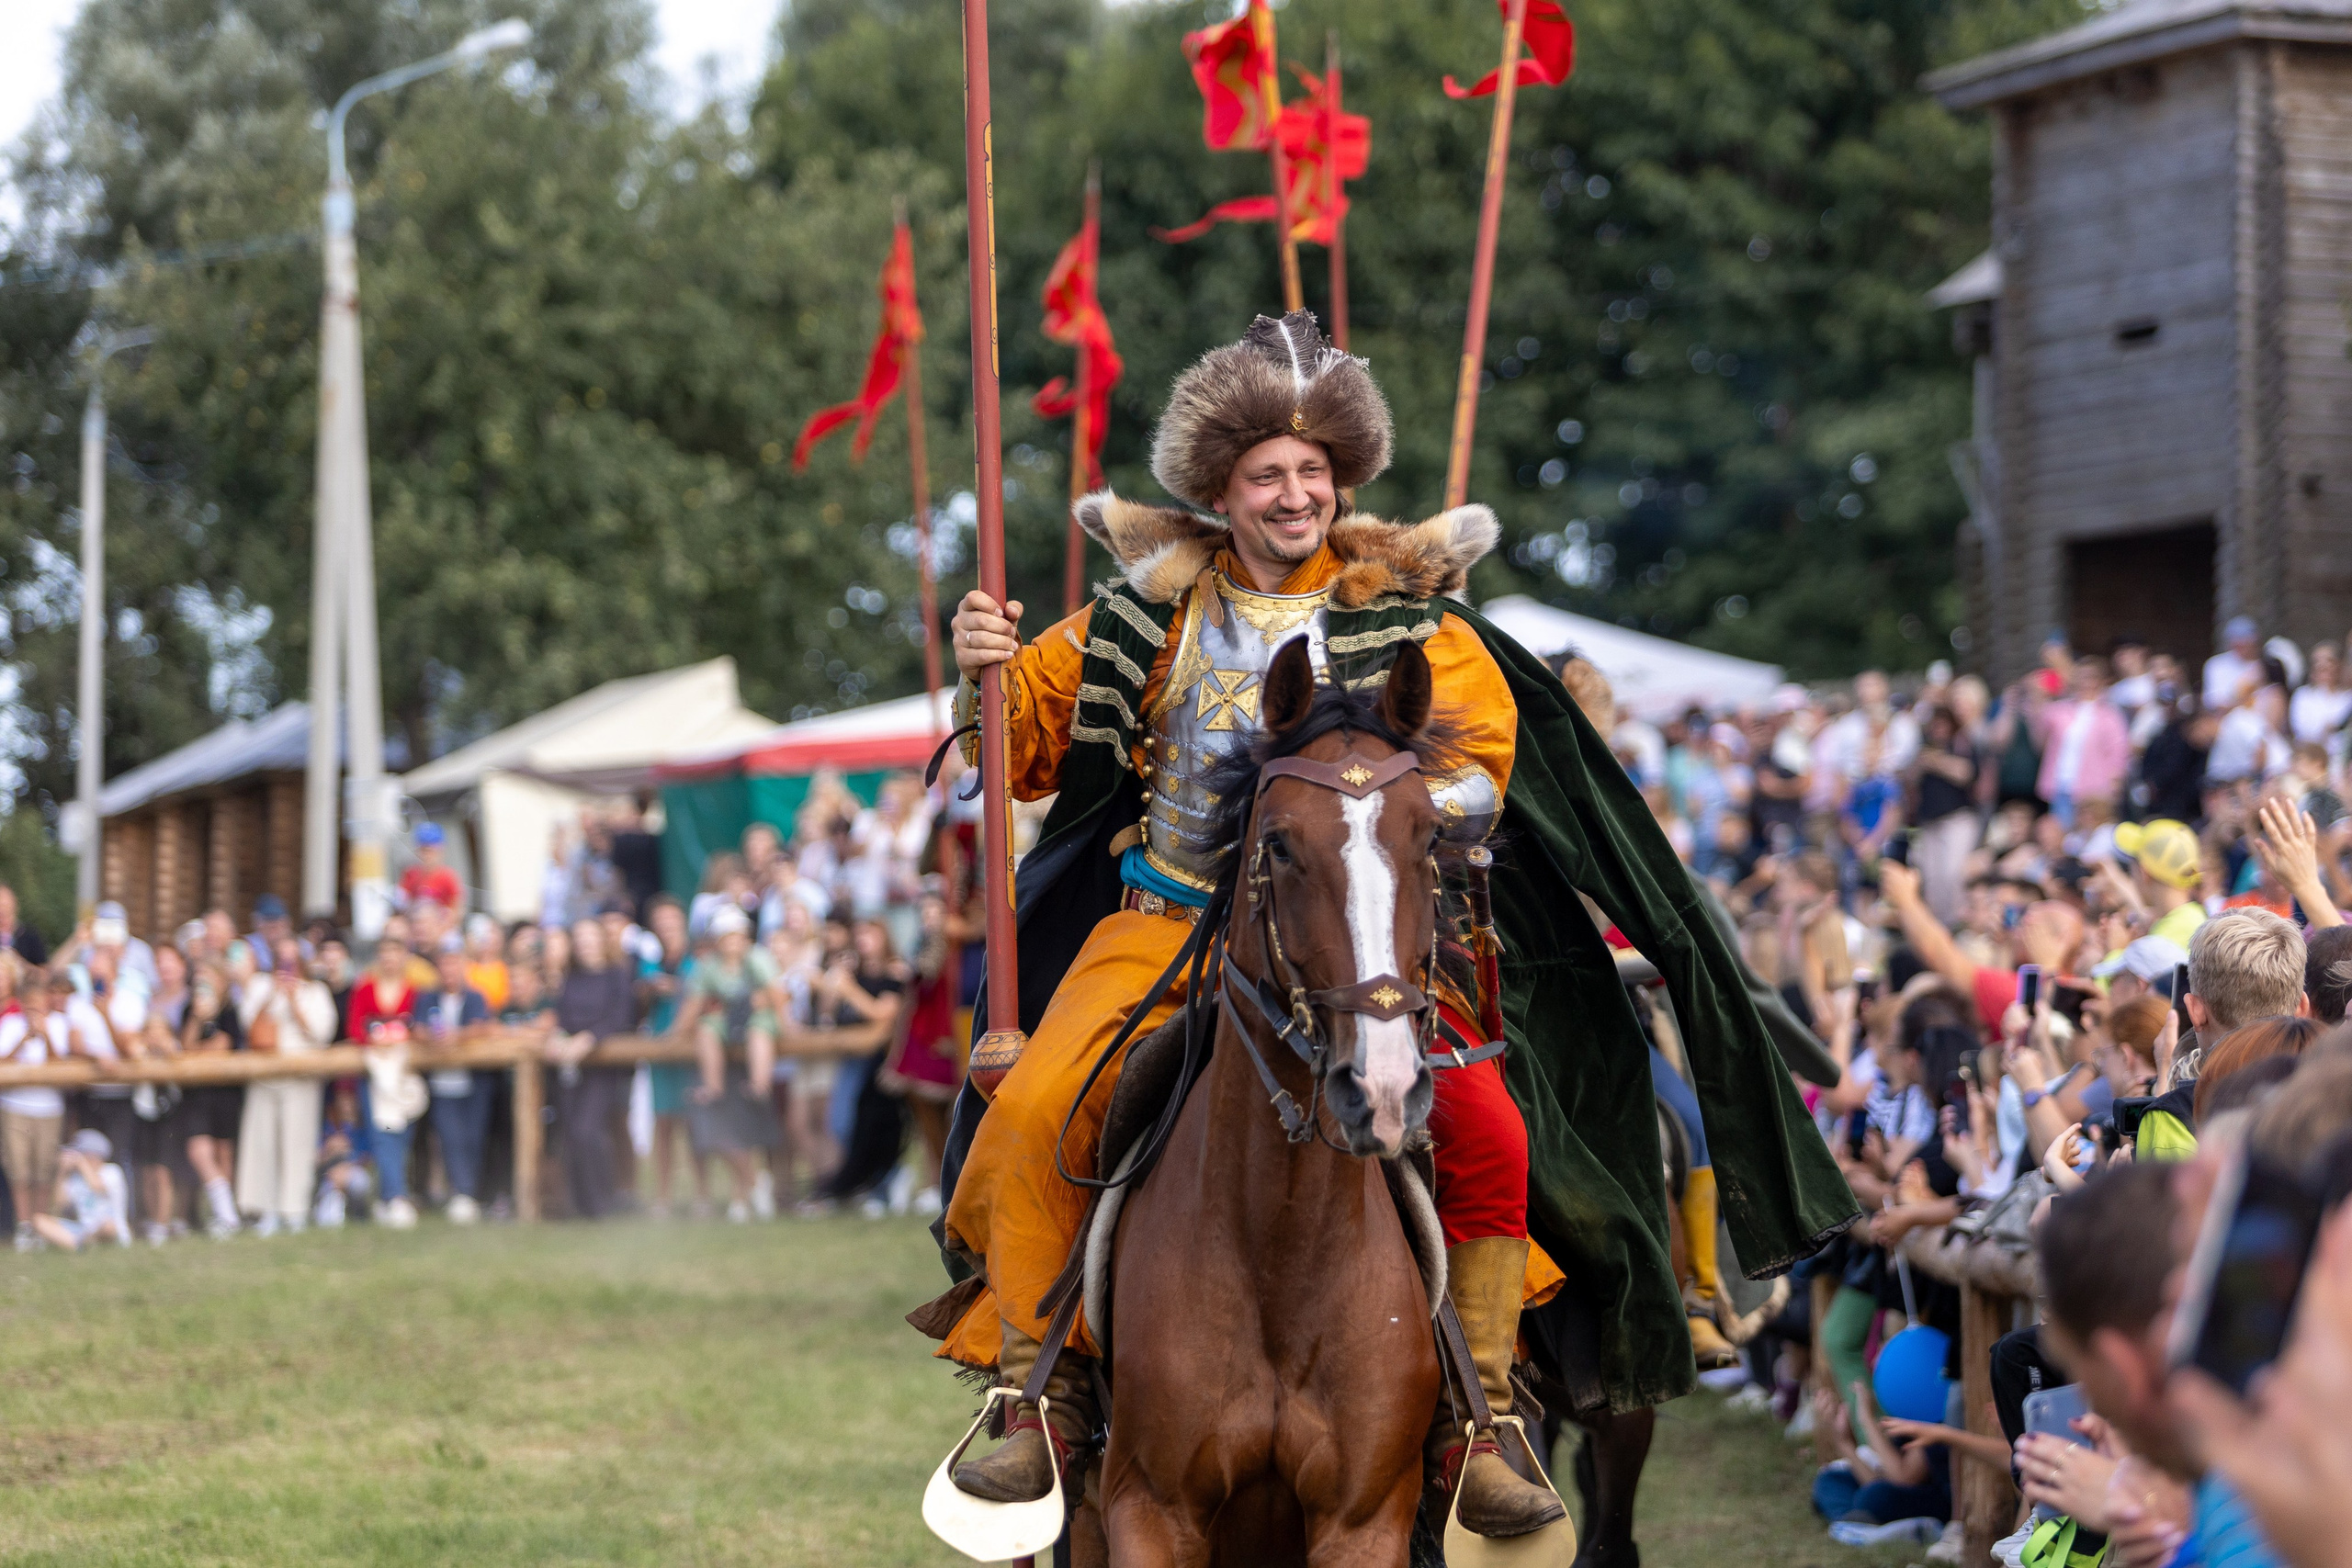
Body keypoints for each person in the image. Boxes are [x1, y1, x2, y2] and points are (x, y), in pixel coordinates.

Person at [928, 310, 1854, 1528]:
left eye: (1313, 472)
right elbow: (1021, 751)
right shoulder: (1145, 619)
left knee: (1492, 1133)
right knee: (1036, 1107)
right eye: (1268, 474)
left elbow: (1482, 772)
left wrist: (1375, 799)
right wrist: (981, 667)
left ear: (1342, 480)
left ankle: (1484, 1423)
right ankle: (1039, 1399)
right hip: (1163, 923)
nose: (1295, 494)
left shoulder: (1413, 621)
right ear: (1220, 491)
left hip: (1360, 939)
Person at [232, 938, 337, 1235]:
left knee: (297, 1145)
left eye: (292, 961)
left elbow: (322, 1033)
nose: (286, 967)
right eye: (281, 960)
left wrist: (293, 1001)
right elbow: (248, 1026)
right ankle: (264, 1210)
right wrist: (272, 996)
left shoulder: (315, 992)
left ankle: (294, 1210)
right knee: (262, 1145)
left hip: (300, 1080)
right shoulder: (260, 987)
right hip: (264, 1079)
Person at [544, 919, 636, 1220]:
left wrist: (590, 1038)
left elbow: (621, 1016)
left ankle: (602, 1202)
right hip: (571, 1066)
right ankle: (580, 1204)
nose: (585, 942)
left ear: (601, 940)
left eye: (590, 936)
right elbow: (563, 1017)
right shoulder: (571, 978)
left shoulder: (617, 975)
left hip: (603, 1067)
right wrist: (558, 1037)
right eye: (579, 937)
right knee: (571, 1132)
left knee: (588, 1130)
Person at [416, 940, 492, 1224]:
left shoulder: (475, 997)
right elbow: (418, 1028)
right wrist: (433, 1038)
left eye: (453, 964)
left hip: (473, 1082)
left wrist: (454, 1037)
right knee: (450, 1138)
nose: (449, 971)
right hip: (441, 1083)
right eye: (444, 965)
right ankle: (461, 1193)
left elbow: (481, 1027)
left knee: (473, 1137)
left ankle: (469, 1193)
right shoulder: (428, 998)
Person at [179, 955, 246, 1238]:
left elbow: (223, 1047)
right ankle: (226, 1213)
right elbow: (184, 1047)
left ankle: (225, 1217)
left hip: (225, 1092)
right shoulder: (189, 1010)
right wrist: (197, 1019)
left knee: (224, 1154)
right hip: (196, 1094)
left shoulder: (229, 1011)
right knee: (199, 1151)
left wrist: (198, 1050)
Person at [1, 971, 68, 1248]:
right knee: (19, 1171)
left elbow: (62, 1065)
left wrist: (45, 1036)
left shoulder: (59, 1023)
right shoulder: (11, 1024)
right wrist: (24, 1038)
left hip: (49, 1108)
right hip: (15, 1106)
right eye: (29, 1003)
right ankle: (24, 1225)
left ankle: (41, 1223)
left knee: (43, 1170)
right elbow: (3, 1061)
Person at [2035, 656, 2131, 828]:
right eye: (2081, 677)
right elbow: (2040, 734)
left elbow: (2118, 755)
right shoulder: (2060, 710)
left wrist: (2113, 788)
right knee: (2062, 833)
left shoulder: (2110, 714)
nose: (2085, 682)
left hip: (2093, 792)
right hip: (2062, 786)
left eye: (2091, 677)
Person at [1908, 705, 1983, 924]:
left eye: (1943, 724)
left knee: (1953, 873)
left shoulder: (1960, 745)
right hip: (1929, 821)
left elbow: (1966, 773)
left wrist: (1936, 761)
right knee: (1932, 877)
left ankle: (1957, 922)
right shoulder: (1923, 749)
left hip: (1956, 819)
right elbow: (1909, 780)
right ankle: (1937, 923)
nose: (1938, 729)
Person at [30, 1129, 130, 1251]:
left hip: (110, 1230)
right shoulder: (75, 1178)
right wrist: (62, 1172)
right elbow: (59, 1204)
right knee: (39, 1221)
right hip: (84, 1229)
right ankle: (80, 1246)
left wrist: (81, 1164)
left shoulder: (112, 1171)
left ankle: (78, 1244)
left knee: (108, 1227)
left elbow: (97, 1187)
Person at [400, 822, 464, 912]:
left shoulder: (448, 877)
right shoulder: (411, 874)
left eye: (430, 851)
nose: (426, 856)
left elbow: (457, 909)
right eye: (423, 851)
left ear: (440, 851)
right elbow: (402, 902)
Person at [0, 883, 48, 966]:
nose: (3, 917)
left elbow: (45, 972)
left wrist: (20, 964)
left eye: (7, 910)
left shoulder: (30, 936)